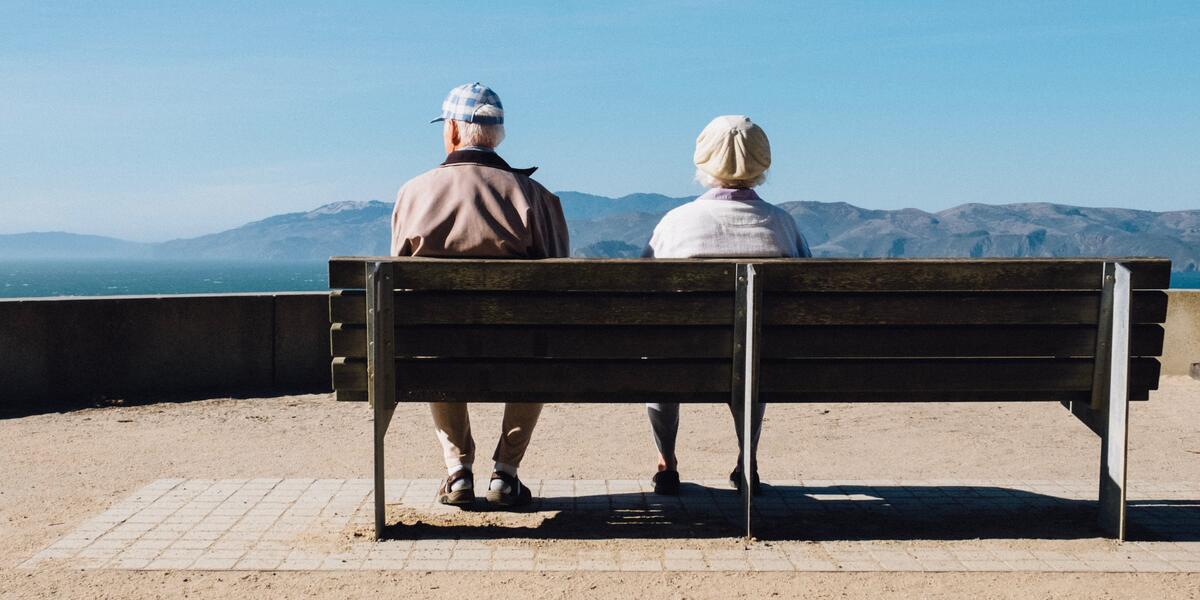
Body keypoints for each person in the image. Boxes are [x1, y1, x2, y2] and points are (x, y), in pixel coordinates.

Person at [391, 82, 569, 508]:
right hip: (519, 350)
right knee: (538, 346)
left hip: (441, 349)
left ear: (452, 130)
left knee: (431, 342)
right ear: (497, 135)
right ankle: (505, 473)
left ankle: (457, 472)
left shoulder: (413, 193)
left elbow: (397, 286)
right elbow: (563, 285)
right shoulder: (536, 198)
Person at [642, 115, 811, 496]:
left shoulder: (676, 224)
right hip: (762, 362)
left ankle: (667, 463)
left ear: (702, 162)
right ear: (762, 162)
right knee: (752, 355)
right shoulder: (783, 226)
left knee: (660, 359)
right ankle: (745, 460)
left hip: (684, 360)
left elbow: (642, 295)